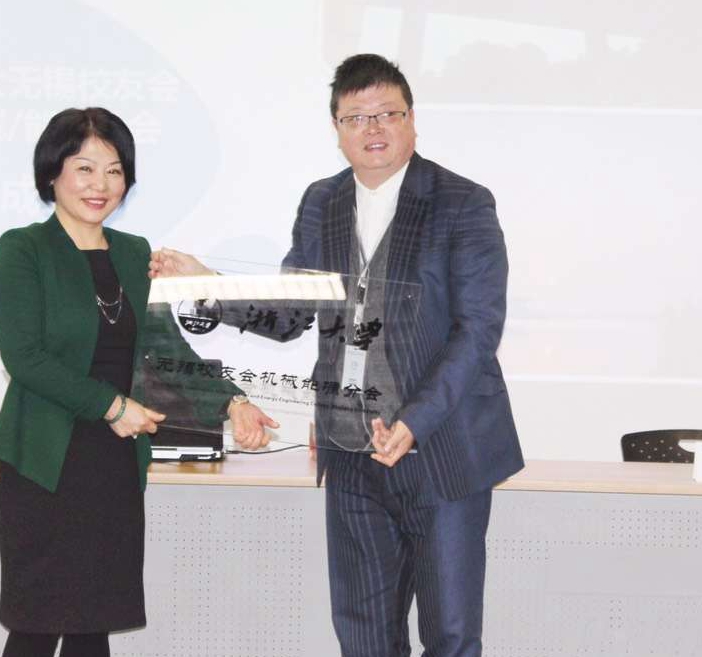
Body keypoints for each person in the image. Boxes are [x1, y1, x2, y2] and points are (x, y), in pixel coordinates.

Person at [151, 54, 524, 657]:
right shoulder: (322, 202)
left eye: (387, 114)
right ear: (337, 128)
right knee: (364, 637)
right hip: (351, 454)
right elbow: (290, 312)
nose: (373, 128)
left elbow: (478, 332)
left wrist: (414, 421)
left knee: (451, 637)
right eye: (356, 117)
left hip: (442, 450)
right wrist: (205, 283)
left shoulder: (462, 202)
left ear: (411, 120)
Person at [0, 107, 271, 657]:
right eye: (85, 168)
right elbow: (24, 358)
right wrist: (112, 406)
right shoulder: (23, 249)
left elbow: (166, 350)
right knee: (36, 625)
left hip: (113, 463)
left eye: (114, 171)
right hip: (45, 460)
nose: (101, 185)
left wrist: (231, 401)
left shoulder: (134, 252)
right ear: (52, 173)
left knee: (94, 621)